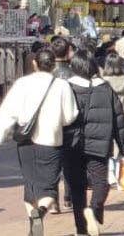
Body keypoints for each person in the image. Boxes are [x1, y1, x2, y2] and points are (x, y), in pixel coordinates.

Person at [0, 49, 78, 236]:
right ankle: (42, 212)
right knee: (49, 187)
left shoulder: (22, 83)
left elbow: (7, 112)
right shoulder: (61, 85)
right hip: (51, 141)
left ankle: (33, 226)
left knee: (30, 185)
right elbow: (70, 116)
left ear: (35, 64)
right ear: (53, 65)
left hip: (25, 142)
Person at [65, 50, 124, 236]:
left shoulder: (67, 88)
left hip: (71, 144)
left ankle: (81, 228)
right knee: (101, 182)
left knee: (77, 186)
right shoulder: (106, 89)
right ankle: (94, 211)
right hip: (100, 143)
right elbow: (119, 119)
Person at [50, 36, 74, 214]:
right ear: (68, 52)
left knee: (52, 165)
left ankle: (53, 202)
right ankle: (68, 198)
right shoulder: (74, 74)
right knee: (69, 165)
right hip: (71, 125)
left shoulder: (46, 73)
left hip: (49, 125)